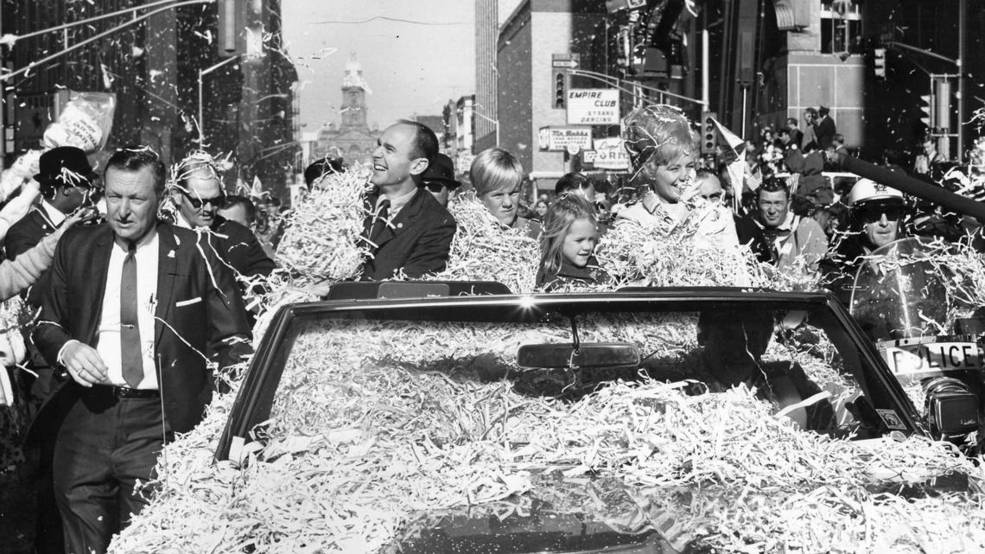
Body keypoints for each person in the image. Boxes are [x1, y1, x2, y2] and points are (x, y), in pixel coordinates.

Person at [32, 146, 252, 554]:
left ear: (162, 198)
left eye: (136, 199)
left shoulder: (195, 252)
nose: (123, 211)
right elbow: (44, 321)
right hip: (85, 420)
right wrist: (67, 348)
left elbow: (232, 341)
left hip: (161, 422)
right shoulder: (77, 247)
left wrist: (215, 422)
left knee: (149, 543)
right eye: (114, 196)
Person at [617, 104, 739, 249]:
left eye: (689, 166)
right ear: (650, 171)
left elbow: (734, 266)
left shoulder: (716, 215)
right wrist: (677, 220)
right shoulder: (632, 219)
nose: (684, 176)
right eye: (674, 169)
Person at [362, 120, 456, 280]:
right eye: (379, 145)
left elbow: (409, 288)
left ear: (417, 166)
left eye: (389, 150)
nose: (376, 154)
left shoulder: (436, 222)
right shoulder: (352, 200)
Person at [171, 153, 276, 284]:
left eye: (215, 200)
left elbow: (270, 280)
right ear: (177, 196)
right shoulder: (158, 235)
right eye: (199, 201)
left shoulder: (238, 237)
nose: (208, 209)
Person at [820, 179, 905, 307]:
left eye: (892, 212)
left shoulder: (916, 263)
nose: (884, 222)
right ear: (856, 219)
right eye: (874, 214)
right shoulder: (837, 267)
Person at [754, 176, 828, 277]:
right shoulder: (747, 228)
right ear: (757, 204)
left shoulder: (807, 228)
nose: (772, 210)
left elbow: (821, 273)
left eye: (778, 203)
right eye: (766, 203)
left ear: (788, 204)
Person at [535, 194, 607, 290]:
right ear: (558, 239)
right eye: (579, 240)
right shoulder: (548, 278)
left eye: (591, 239)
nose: (587, 247)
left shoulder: (603, 268)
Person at [697, 170, 771, 263]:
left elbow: (765, 266)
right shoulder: (680, 234)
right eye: (701, 198)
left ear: (722, 195)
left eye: (714, 196)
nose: (708, 203)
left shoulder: (747, 228)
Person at [470, 147, 541, 239]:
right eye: (498, 195)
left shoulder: (536, 233)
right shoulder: (465, 235)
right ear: (478, 196)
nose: (508, 203)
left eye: (513, 193)